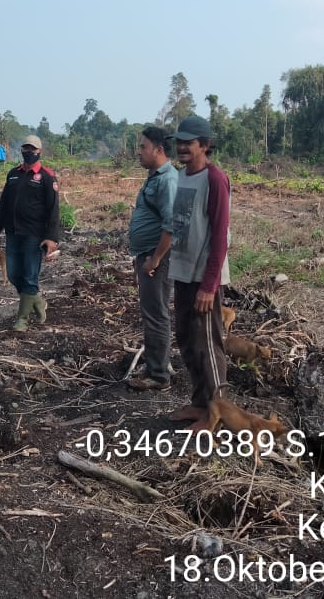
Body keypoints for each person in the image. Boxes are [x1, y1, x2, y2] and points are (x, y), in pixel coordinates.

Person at [166, 115, 232, 423]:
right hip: (182, 272)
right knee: (185, 338)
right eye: (179, 142)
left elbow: (220, 235)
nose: (181, 147)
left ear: (205, 146)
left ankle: (217, 413)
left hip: (203, 277)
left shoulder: (215, 179)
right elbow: (178, 224)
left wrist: (209, 285)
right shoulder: (182, 176)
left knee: (208, 343)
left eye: (188, 142)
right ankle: (200, 402)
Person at [0, 134, 60, 331]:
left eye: (33, 149)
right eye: (26, 148)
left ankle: (22, 319)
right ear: (21, 150)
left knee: (29, 276)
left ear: (39, 152)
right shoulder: (13, 174)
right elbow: (4, 204)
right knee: (13, 273)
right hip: (13, 233)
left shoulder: (46, 176)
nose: (29, 152)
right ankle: (37, 301)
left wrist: (51, 238)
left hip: (34, 235)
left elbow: (54, 209)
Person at [126, 126, 177, 392]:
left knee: (156, 314)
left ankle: (158, 375)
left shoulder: (167, 180)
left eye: (143, 146)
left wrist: (155, 259)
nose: (139, 151)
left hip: (156, 259)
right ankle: (155, 365)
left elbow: (170, 226)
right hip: (148, 256)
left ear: (158, 150)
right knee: (151, 312)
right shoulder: (155, 177)